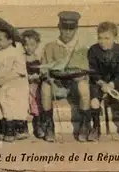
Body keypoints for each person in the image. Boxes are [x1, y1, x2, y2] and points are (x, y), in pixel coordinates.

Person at [40, 11, 91, 142]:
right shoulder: (50, 47)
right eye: (64, 29)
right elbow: (44, 68)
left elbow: (85, 70)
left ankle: (84, 125)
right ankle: (49, 126)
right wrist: (47, 76)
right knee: (45, 87)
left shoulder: (82, 48)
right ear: (59, 27)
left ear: (76, 29)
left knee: (84, 87)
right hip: (57, 85)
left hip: (74, 85)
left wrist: (81, 75)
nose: (68, 33)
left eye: (71, 29)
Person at [88, 22, 119, 141]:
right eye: (100, 38)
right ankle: (96, 128)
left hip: (116, 82)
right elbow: (93, 72)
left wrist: (111, 85)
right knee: (94, 102)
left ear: (115, 38)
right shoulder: (93, 51)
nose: (102, 41)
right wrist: (102, 84)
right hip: (99, 82)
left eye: (107, 38)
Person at [0, 22, 29, 142]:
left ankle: (12, 128)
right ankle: (3, 127)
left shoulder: (16, 51)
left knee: (6, 98)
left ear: (10, 41)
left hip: (14, 82)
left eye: (1, 39)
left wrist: (3, 80)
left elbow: (19, 71)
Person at [21, 29, 44, 138]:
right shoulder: (21, 58)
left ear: (37, 44)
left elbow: (42, 72)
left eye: (31, 45)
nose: (28, 47)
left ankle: (38, 124)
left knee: (37, 97)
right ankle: (23, 126)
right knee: (22, 98)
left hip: (35, 84)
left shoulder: (38, 58)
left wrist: (38, 76)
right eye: (25, 45)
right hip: (24, 84)